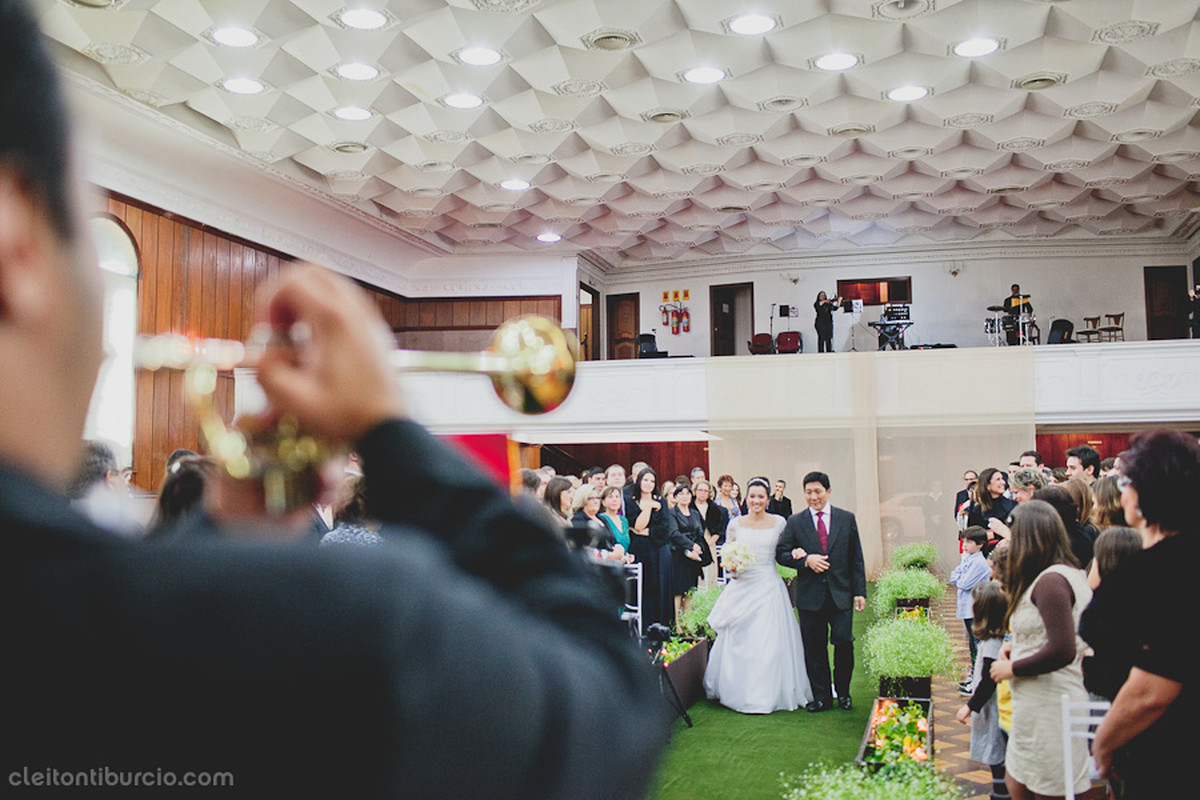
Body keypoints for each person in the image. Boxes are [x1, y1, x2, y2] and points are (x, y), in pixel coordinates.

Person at [0, 5, 668, 793]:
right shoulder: (347, 627)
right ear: (19, 251)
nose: (109, 341)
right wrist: (390, 432)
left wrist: (222, 546)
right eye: (84, 228)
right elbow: (613, 710)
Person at [1081, 430, 1196, 798]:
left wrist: (1106, 741)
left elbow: (1153, 688)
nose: (1120, 490)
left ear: (1149, 492)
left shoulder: (1163, 570)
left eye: (1124, 481)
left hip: (1169, 746)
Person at [988, 501, 1092, 800]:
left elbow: (1062, 648)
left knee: (1050, 789)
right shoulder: (1058, 574)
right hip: (1035, 703)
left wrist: (1012, 668)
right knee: (1017, 780)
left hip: (1052, 704)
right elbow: (1044, 634)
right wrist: (1017, 649)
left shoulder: (1051, 581)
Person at [703, 478, 812, 713]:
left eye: (761, 497)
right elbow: (728, 554)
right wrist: (732, 566)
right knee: (739, 637)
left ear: (768, 499)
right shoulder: (735, 524)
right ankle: (736, 689)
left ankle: (768, 691)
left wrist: (796, 552)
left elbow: (785, 549)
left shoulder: (779, 522)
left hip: (768, 585)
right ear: (746, 498)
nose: (756, 501)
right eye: (752, 496)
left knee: (769, 640)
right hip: (742, 585)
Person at [776, 471, 866, 712]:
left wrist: (860, 592)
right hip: (809, 597)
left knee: (844, 644)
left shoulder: (846, 519)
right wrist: (806, 560)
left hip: (841, 595)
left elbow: (855, 558)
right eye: (808, 492)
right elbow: (781, 554)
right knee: (814, 649)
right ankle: (822, 696)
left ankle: (844, 693)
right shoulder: (796, 522)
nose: (813, 496)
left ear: (828, 491)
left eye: (817, 491)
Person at [955, 580, 1010, 800]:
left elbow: (989, 680)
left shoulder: (992, 646)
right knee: (995, 755)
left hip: (994, 710)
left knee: (997, 755)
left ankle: (1001, 794)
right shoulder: (991, 641)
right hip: (991, 709)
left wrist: (970, 707)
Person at [950, 527, 992, 694]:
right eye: (964, 541)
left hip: (975, 609)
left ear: (980, 545)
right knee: (972, 645)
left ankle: (977, 682)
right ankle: (974, 677)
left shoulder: (979, 563)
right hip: (967, 608)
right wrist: (959, 578)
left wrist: (959, 578)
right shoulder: (968, 559)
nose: (965, 545)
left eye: (969, 542)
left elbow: (963, 583)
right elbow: (953, 576)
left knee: (977, 646)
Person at [665, 483, 706, 626]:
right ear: (675, 497)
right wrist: (690, 545)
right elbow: (674, 533)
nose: (684, 496)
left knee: (690, 590)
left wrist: (697, 548)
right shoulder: (671, 513)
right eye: (681, 494)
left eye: (687, 493)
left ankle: (688, 622)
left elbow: (700, 533)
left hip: (693, 557)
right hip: (678, 555)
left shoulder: (695, 513)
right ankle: (676, 624)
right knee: (678, 591)